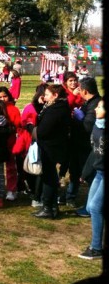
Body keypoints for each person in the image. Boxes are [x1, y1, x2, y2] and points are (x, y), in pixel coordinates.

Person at [32, 84, 71, 219]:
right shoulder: (57, 106)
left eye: (47, 94)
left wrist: (31, 129)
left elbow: (43, 130)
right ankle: (53, 206)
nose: (45, 97)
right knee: (51, 176)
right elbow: (41, 116)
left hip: (50, 148)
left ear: (55, 96)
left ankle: (48, 207)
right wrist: (40, 104)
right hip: (52, 146)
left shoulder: (56, 110)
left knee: (48, 178)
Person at [68, 76, 102, 215]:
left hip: (87, 147)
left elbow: (88, 127)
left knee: (91, 177)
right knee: (76, 172)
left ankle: (92, 207)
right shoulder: (89, 102)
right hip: (80, 145)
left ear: (85, 91)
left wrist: (79, 117)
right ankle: (72, 197)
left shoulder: (95, 104)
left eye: (80, 89)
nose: (79, 92)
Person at [77, 99, 104, 260]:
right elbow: (95, 151)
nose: (96, 109)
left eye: (100, 107)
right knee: (90, 207)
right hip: (99, 172)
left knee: (95, 207)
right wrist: (85, 172)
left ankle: (96, 248)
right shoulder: (97, 125)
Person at [16, 83, 48, 207]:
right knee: (32, 167)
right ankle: (34, 193)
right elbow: (23, 125)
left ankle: (35, 193)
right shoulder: (30, 107)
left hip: (40, 142)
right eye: (45, 94)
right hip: (31, 142)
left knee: (38, 168)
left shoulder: (48, 107)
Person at [58, 71, 86, 206]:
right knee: (65, 160)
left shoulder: (81, 93)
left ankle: (69, 195)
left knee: (75, 165)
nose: (73, 83)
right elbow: (64, 108)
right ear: (65, 82)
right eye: (70, 81)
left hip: (78, 133)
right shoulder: (64, 94)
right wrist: (73, 97)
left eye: (74, 80)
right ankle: (61, 182)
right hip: (66, 133)